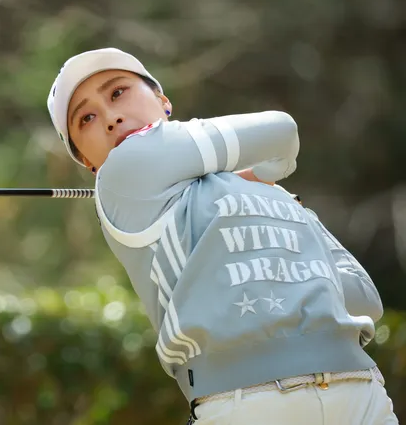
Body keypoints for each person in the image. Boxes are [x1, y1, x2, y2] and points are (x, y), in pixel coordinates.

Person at [46, 48, 398, 424]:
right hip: (246, 404)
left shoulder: (271, 193)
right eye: (86, 118)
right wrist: (262, 175)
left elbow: (364, 299)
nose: (111, 117)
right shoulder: (123, 171)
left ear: (163, 100)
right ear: (88, 161)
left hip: (362, 396)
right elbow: (281, 130)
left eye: (118, 92)